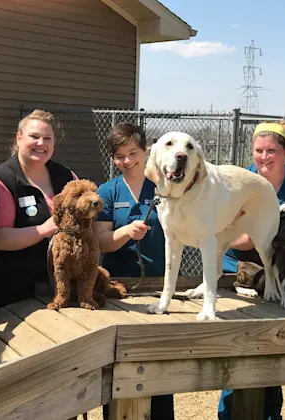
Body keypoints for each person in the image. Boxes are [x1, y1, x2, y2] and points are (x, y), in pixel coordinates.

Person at [218, 120, 285, 420]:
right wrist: (253, 236)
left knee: (274, 348)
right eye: (258, 151)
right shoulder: (240, 181)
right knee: (238, 351)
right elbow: (224, 233)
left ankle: (269, 414)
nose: (264, 157)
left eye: (272, 151)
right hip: (244, 271)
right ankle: (230, 414)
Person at [93, 122, 174, 420]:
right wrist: (126, 231)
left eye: (133, 153)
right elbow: (101, 240)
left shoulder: (166, 186)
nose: (127, 161)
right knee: (119, 365)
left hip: (160, 287)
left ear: (146, 151)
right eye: (119, 156)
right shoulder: (108, 191)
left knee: (160, 364)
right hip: (119, 288)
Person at [0, 109, 78, 310]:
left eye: (47, 138)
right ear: (19, 138)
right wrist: (45, 229)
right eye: (34, 137)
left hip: (63, 289)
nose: (41, 143)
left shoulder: (66, 176)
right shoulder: (1, 180)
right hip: (16, 293)